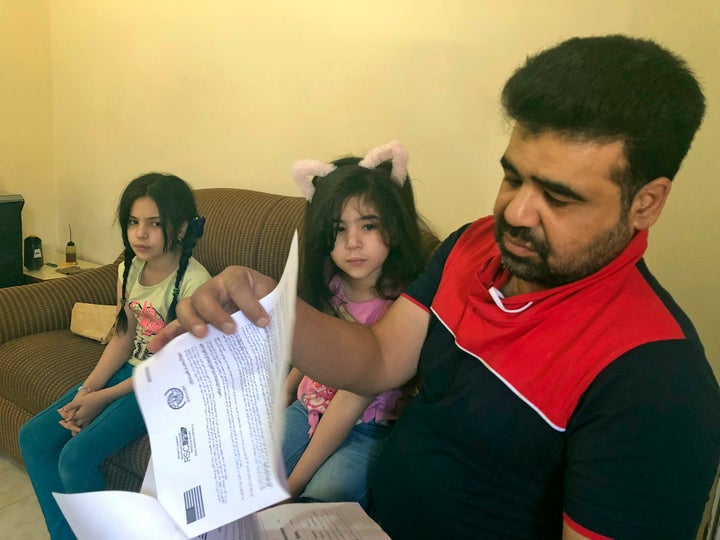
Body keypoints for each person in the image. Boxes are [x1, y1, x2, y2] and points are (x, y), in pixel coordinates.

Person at [151, 35, 720, 539]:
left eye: (559, 197)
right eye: (513, 176)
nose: (517, 212)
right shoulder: (473, 245)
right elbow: (377, 357)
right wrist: (268, 302)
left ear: (646, 202)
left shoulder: (655, 380)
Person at [19, 173, 212, 539]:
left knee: (76, 458)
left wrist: (102, 398)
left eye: (155, 224)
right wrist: (87, 390)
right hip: (127, 372)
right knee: (35, 439)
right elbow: (124, 336)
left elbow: (169, 367)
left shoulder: (194, 285)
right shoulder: (128, 268)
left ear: (182, 228)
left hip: (164, 385)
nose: (141, 234)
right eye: (134, 222)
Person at [282, 141, 431, 509]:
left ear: (393, 227)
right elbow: (312, 349)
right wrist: (283, 396)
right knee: (251, 471)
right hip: (308, 407)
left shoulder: (401, 308)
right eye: (338, 228)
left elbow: (352, 399)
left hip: (370, 427)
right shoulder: (328, 284)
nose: (352, 242)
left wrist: (293, 486)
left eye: (368, 225)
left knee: (321, 502)